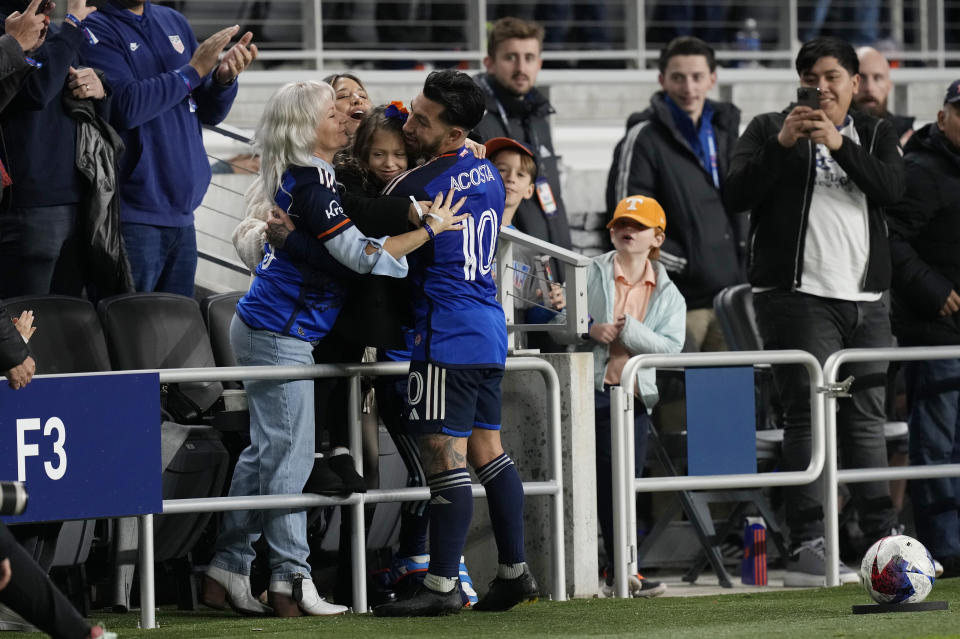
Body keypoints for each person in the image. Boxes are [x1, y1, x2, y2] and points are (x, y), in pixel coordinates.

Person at [202, 79, 466, 618]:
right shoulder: (313, 186)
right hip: (279, 334)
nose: (346, 118)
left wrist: (413, 214)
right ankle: (290, 580)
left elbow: (358, 222)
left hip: (273, 328)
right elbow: (362, 256)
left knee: (263, 459)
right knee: (289, 460)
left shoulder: (315, 178)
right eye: (332, 113)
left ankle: (227, 568)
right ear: (306, 128)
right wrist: (431, 228)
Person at [725, 36, 904, 587]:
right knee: (810, 416)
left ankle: (883, 543)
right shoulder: (766, 129)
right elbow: (734, 194)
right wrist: (782, 145)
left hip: (867, 303)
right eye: (810, 76)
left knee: (866, 423)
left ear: (855, 82)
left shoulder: (875, 132)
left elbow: (895, 190)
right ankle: (808, 542)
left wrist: (842, 146)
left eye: (831, 76)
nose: (820, 86)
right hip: (798, 300)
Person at [374, 69, 538, 617]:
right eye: (412, 112)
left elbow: (374, 236)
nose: (410, 125)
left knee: (442, 456)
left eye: (423, 120)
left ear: (453, 133)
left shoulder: (412, 188)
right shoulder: (486, 169)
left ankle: (442, 584)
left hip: (443, 332)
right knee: (490, 451)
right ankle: (514, 571)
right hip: (488, 327)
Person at [82, 1, 258, 297]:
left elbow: (208, 110)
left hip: (184, 216)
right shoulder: (94, 28)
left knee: (172, 331)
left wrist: (221, 79)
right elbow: (125, 106)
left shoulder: (173, 21)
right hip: (131, 217)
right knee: (129, 331)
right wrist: (193, 70)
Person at [606, 36, 745, 352]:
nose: (688, 87)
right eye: (678, 77)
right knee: (680, 398)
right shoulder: (643, 138)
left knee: (731, 397)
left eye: (697, 77)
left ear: (712, 79)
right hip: (675, 298)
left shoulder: (726, 133)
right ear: (662, 80)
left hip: (730, 296)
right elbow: (627, 219)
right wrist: (688, 264)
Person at [0, 0, 131, 301]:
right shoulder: (11, 30)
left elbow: (76, 91)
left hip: (79, 200)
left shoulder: (54, 29)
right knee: (27, 329)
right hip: (29, 208)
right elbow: (37, 91)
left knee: (67, 325)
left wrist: (97, 88)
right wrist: (73, 26)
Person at [589, 195, 684, 598]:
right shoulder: (588, 270)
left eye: (638, 226)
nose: (626, 230)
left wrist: (627, 330)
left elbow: (671, 348)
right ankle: (589, 569)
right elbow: (556, 320)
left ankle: (623, 570)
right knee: (583, 485)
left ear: (657, 237)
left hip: (630, 399)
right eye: (619, 224)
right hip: (586, 392)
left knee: (623, 486)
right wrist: (589, 329)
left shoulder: (670, 292)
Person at [886, 79, 960, 577]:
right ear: (942, 117)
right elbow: (887, 237)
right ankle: (948, 553)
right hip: (934, 333)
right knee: (936, 447)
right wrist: (933, 291)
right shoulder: (921, 169)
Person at [472, 17, 571, 257]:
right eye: (510, 57)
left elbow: (550, 196)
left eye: (529, 58)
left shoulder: (539, 115)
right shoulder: (473, 117)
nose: (521, 68)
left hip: (550, 263)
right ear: (490, 63)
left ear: (539, 63)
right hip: (507, 267)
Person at [486, 136, 565, 331]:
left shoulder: (530, 250)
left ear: (530, 190)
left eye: (521, 174)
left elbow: (531, 318)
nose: (510, 178)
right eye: (502, 169)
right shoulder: (463, 230)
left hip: (510, 349)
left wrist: (549, 304)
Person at [854, 46, 914, 146]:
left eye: (877, 78)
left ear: (888, 86)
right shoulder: (833, 130)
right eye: (861, 78)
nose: (869, 88)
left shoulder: (905, 132)